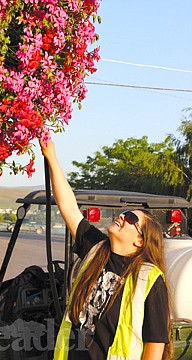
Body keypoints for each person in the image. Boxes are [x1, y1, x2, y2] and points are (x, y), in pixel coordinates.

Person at [40, 138, 173, 360]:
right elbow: (69, 208)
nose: (122, 215)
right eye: (124, 212)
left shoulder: (148, 279)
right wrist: (51, 157)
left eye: (131, 218)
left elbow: (155, 344)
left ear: (140, 241)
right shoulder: (97, 249)